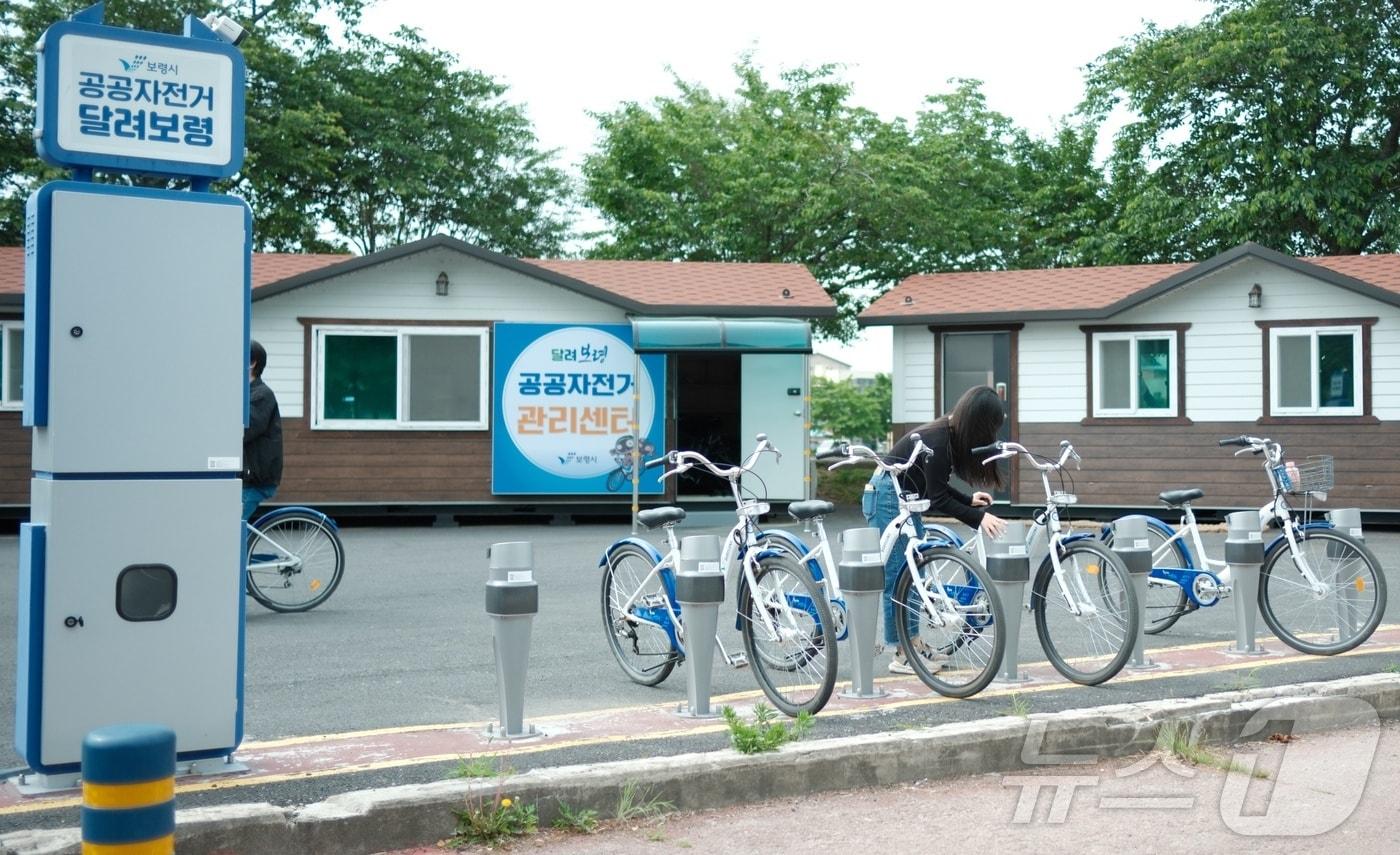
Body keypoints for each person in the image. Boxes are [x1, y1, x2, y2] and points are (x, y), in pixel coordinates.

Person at [862, 385, 1007, 674]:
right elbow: (938, 499)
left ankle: (913, 644)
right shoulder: (939, 441)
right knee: (899, 575)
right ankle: (902, 653)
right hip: (888, 496)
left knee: (915, 574)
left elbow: (934, 485)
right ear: (979, 422)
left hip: (905, 497)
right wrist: (979, 519)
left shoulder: (948, 435)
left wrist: (969, 499)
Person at [243, 340, 283, 521]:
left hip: (255, 480)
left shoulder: (261, 394)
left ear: (252, 363)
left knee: (231, 528)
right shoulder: (247, 393)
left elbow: (245, 430)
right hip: (248, 477)